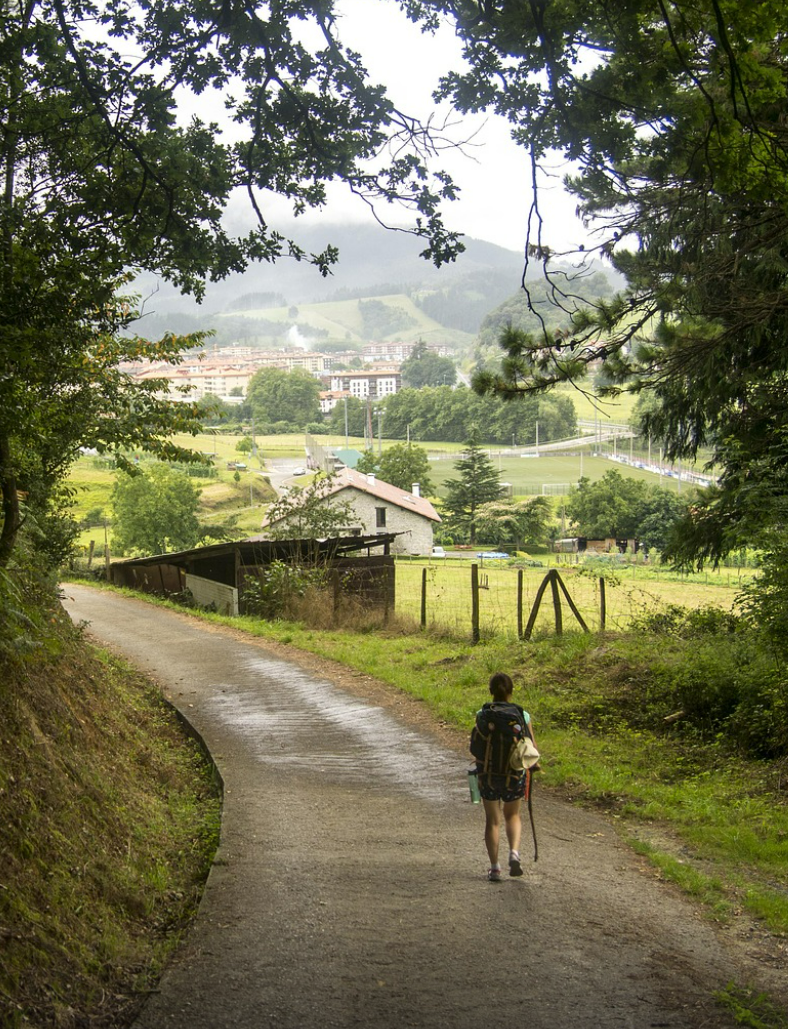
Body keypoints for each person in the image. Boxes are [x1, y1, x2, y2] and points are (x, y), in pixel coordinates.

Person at [472, 671, 536, 882]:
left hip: (488, 776)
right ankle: (514, 853)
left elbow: (475, 747)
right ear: (511, 691)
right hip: (513, 775)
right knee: (513, 816)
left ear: (491, 692)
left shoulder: (482, 714)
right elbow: (530, 748)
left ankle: (495, 868)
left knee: (493, 820)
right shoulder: (522, 715)